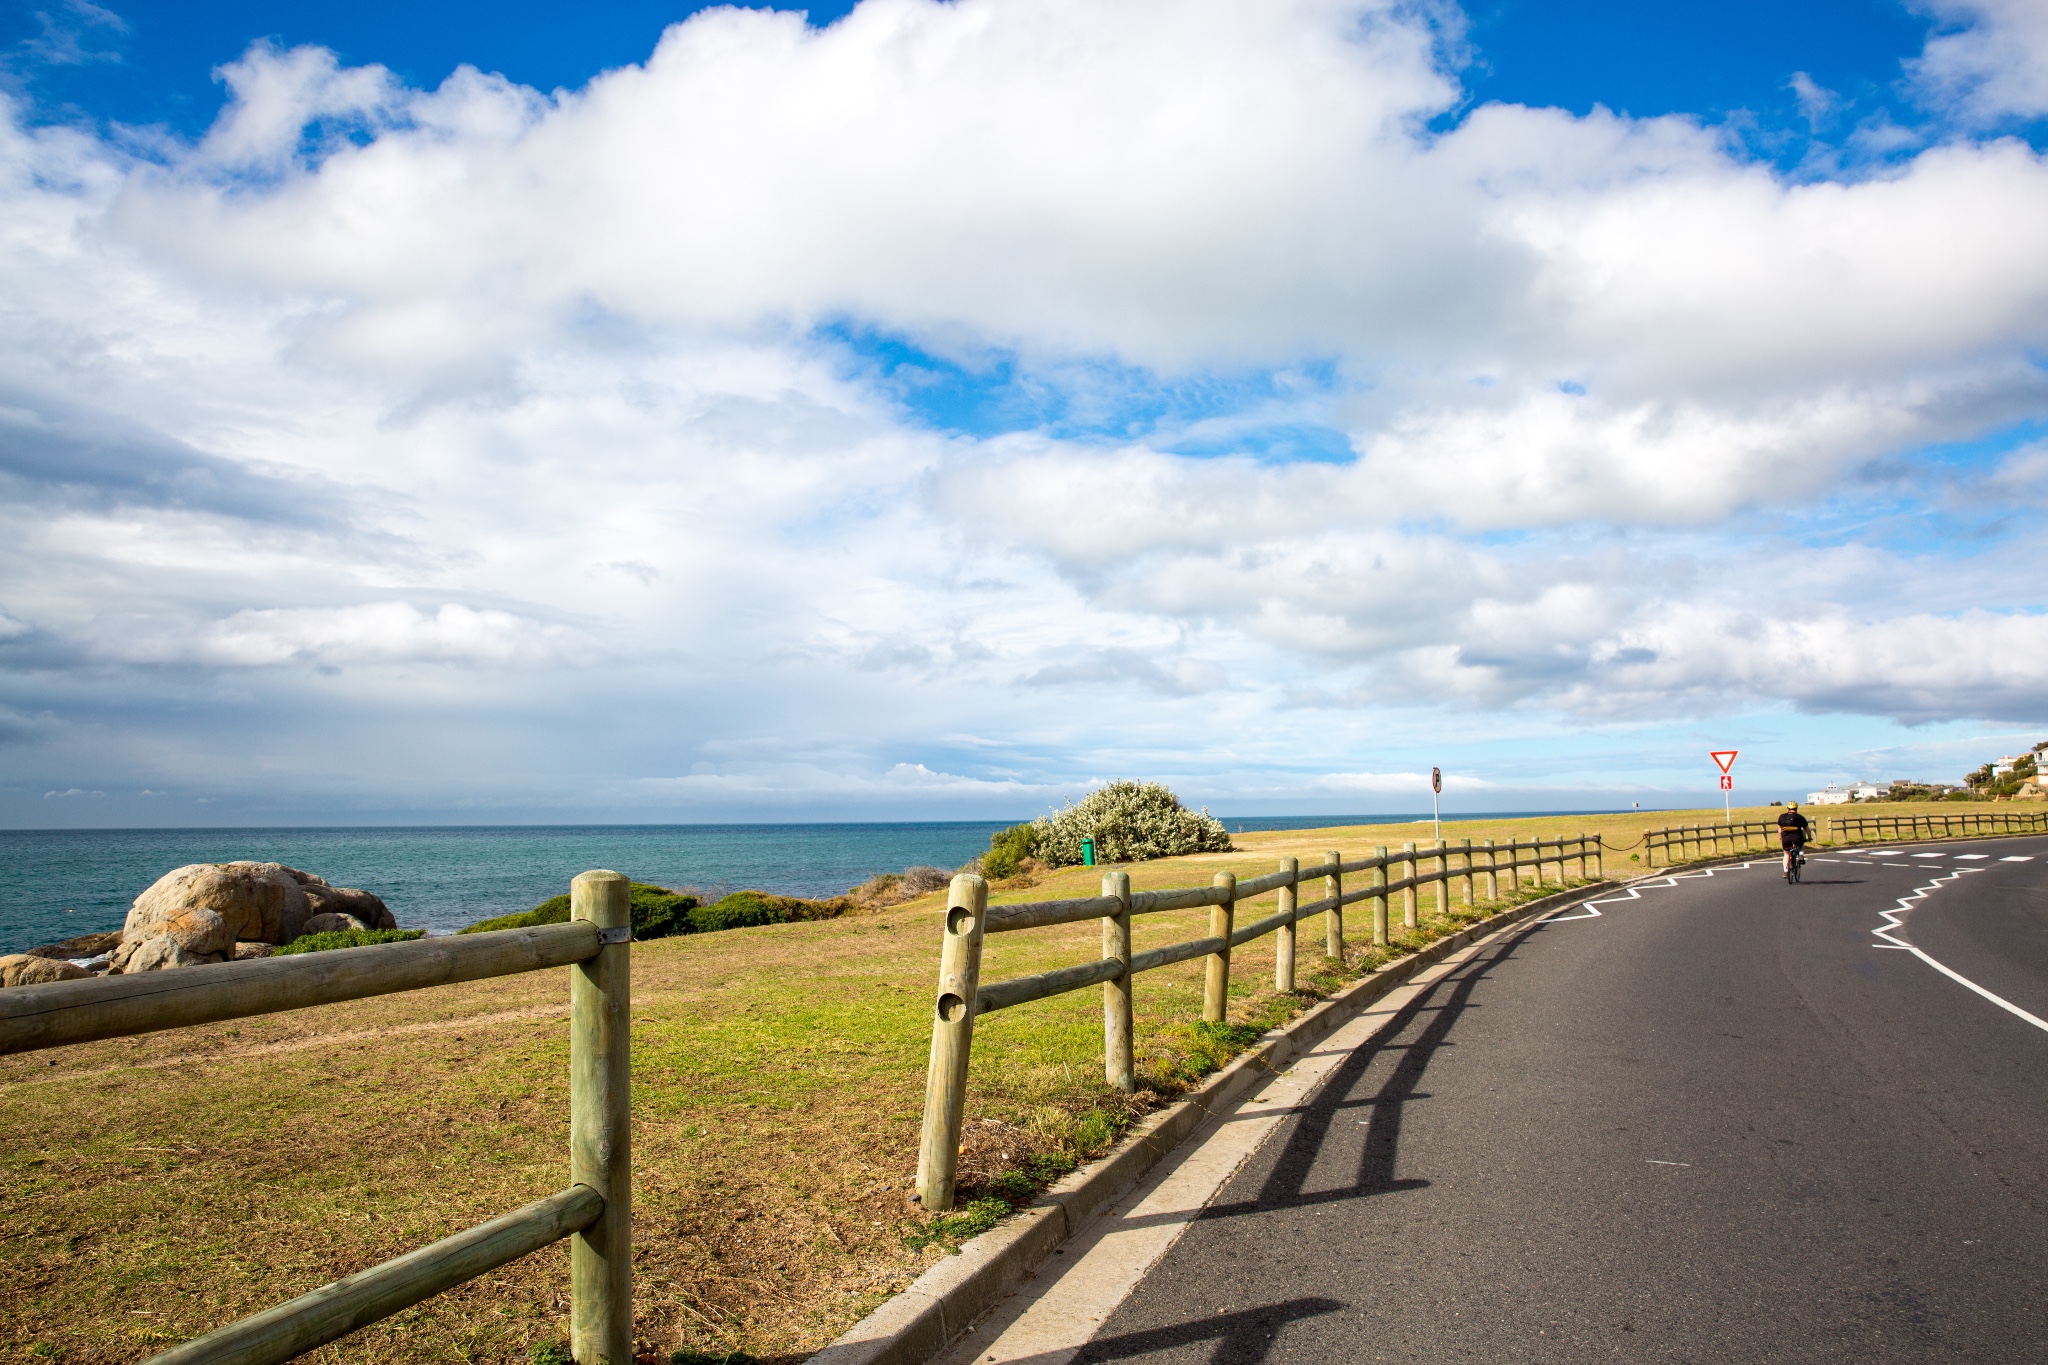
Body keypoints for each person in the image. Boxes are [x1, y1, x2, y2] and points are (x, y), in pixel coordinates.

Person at [1778, 802, 1812, 880]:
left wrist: (1780, 837)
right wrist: (1809, 837)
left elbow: (1780, 830)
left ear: (1788, 808)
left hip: (1786, 838)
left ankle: (1786, 871)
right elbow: (1807, 829)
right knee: (1802, 845)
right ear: (1796, 808)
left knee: (1786, 854)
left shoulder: (1782, 817)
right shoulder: (1800, 817)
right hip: (1797, 838)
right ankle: (1801, 855)